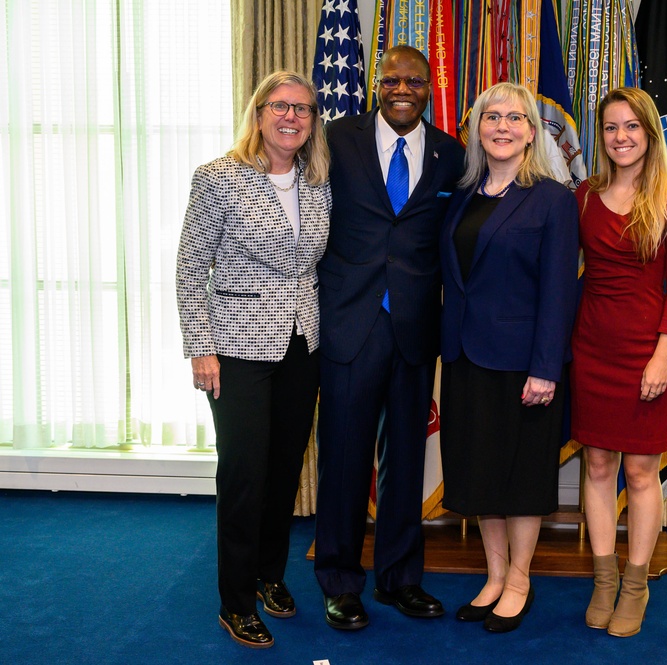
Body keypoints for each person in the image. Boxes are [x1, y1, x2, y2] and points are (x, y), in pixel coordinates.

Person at [176, 70, 331, 648]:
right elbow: (192, 267)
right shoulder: (218, 178)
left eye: (304, 110)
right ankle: (235, 600)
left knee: (285, 470)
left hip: (302, 344)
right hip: (236, 348)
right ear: (259, 112)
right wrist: (200, 348)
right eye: (281, 107)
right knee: (244, 474)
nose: (292, 118)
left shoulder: (319, 181)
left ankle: (269, 576)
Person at [314, 45, 465, 631]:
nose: (404, 88)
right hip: (350, 322)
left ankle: (401, 578)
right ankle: (340, 582)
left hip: (414, 327)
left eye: (416, 81)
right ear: (377, 84)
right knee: (345, 458)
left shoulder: (452, 153)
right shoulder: (335, 139)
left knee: (405, 458)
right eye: (393, 79)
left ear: (431, 88)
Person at [438, 81, 579, 634]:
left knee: (519, 479)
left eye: (514, 118)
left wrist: (546, 367)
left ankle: (520, 580)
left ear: (530, 132)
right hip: (466, 359)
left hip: (524, 366)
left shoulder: (552, 198)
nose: (501, 127)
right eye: (491, 117)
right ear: (477, 128)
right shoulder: (463, 193)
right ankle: (493, 577)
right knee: (480, 475)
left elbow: (558, 292)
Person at [570, 87, 667, 637]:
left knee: (642, 472)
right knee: (597, 466)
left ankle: (636, 585)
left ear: (649, 133)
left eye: (631, 127)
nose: (620, 137)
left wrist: (661, 357)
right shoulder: (584, 195)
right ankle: (603, 580)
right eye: (610, 128)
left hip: (648, 353)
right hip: (591, 348)